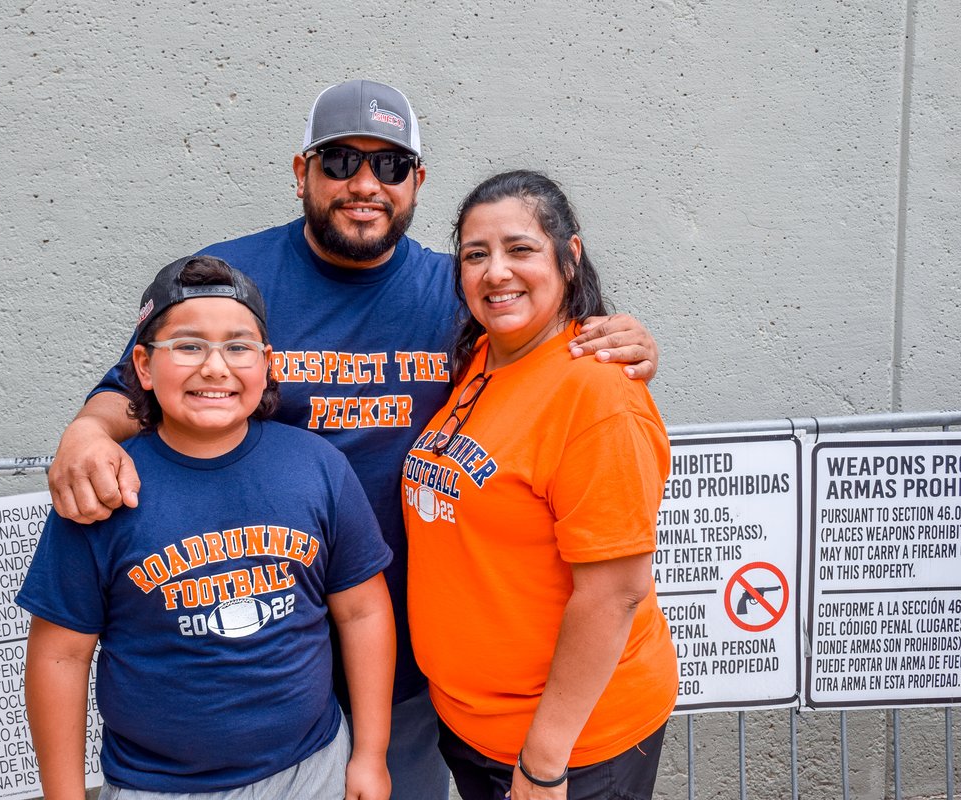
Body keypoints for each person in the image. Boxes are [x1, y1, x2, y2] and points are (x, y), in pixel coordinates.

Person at [47, 80, 661, 800]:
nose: (364, 184)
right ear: (301, 171)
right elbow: (142, 386)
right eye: (339, 161)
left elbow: (546, 361)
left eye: (390, 166)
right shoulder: (238, 279)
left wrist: (612, 335)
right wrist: (86, 430)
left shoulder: (455, 290)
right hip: (255, 653)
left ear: (417, 183)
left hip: (403, 662)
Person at [18, 255, 396, 800]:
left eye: (238, 347)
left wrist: (370, 755)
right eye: (189, 346)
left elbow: (362, 611)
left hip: (314, 768)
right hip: (160, 785)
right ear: (144, 367)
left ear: (268, 364)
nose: (215, 367)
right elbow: (60, 655)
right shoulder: (104, 488)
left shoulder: (317, 467)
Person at [402, 170, 678, 800]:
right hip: (474, 729)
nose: (496, 271)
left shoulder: (598, 393)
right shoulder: (481, 359)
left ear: (568, 257)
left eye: (520, 249)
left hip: (566, 751)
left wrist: (544, 762)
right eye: (476, 255)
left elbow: (613, 596)